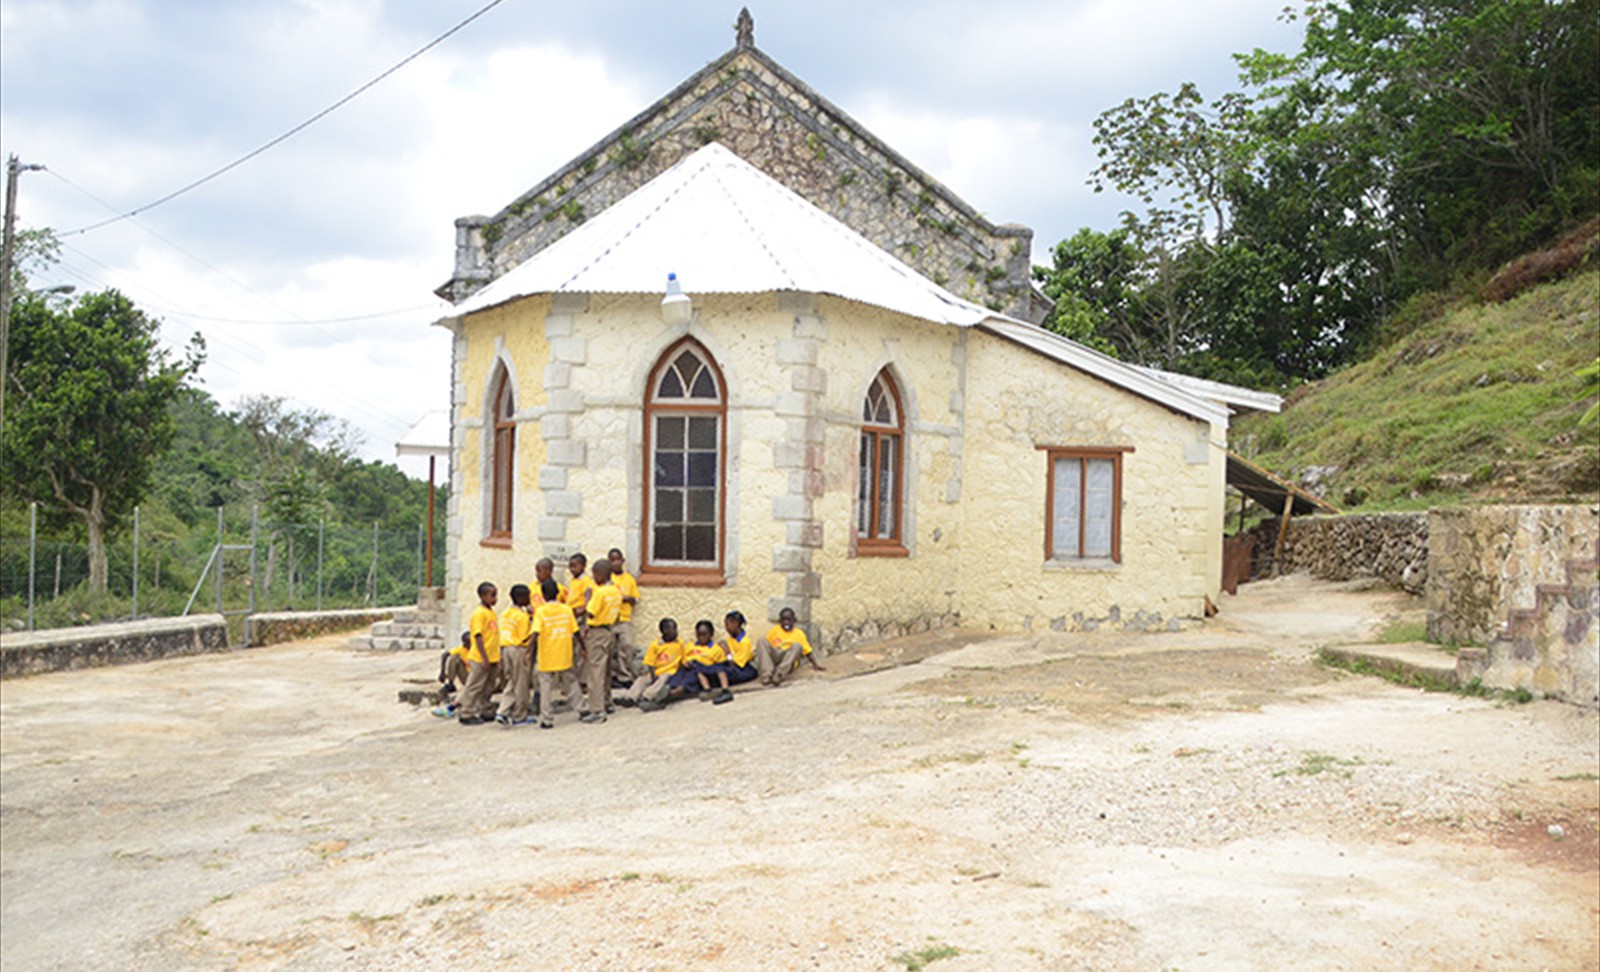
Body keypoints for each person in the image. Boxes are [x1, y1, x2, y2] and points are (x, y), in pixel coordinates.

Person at [531, 578, 584, 729]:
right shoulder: (566, 609)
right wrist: (583, 647)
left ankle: (546, 718)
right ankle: (581, 708)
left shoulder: (540, 611)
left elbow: (535, 633)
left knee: (546, 687)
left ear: (543, 595)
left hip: (547, 655)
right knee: (571, 681)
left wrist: (528, 652)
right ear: (557, 593)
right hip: (564, 652)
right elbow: (576, 631)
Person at [579, 559, 623, 723]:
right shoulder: (615, 591)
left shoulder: (600, 593)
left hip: (597, 632)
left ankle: (597, 710)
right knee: (606, 670)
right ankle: (607, 701)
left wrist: (587, 599)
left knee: (595, 672)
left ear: (601, 574)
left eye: (595, 574)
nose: (593, 577)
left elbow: (590, 612)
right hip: (610, 630)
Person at [457, 582, 502, 725]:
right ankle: (466, 712)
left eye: (496, 595)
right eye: (492, 596)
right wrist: (484, 657)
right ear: (483, 596)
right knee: (475, 685)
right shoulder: (479, 614)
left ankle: (485, 710)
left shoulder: (491, 612)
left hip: (493, 656)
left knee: (488, 686)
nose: (495, 599)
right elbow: (477, 636)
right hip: (481, 657)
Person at [620, 617, 686, 711]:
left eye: (676, 629)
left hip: (670, 671)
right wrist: (653, 674)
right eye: (673, 629)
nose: (676, 632)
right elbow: (650, 662)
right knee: (642, 680)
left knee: (662, 680)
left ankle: (647, 696)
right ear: (664, 631)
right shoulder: (656, 645)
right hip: (656, 671)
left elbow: (683, 658)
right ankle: (631, 697)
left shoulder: (680, 643)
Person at [494, 584, 537, 727]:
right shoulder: (522, 617)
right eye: (527, 596)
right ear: (521, 598)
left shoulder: (506, 613)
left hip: (505, 649)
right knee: (521, 683)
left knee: (512, 681)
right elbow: (527, 636)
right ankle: (520, 715)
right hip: (518, 649)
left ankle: (503, 711)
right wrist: (533, 616)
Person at [757, 606, 825, 686]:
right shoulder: (775, 630)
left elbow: (808, 652)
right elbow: (767, 648)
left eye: (789, 620)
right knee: (761, 641)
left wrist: (815, 665)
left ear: (794, 621)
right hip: (776, 655)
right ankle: (767, 675)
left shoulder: (799, 634)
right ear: (780, 621)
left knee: (797, 646)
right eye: (784, 620)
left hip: (788, 660)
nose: (786, 623)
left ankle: (779, 675)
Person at [607, 548, 641, 684]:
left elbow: (636, 599)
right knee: (609, 649)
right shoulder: (608, 578)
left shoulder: (629, 579)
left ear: (622, 561)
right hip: (609, 619)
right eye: (612, 560)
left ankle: (625, 676)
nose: (615, 563)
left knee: (626, 647)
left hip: (624, 619)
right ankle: (611, 676)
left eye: (617, 560)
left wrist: (628, 598)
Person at [682, 618, 734, 704]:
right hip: (694, 671)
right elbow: (684, 660)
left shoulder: (715, 649)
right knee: (698, 669)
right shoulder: (690, 646)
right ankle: (707, 691)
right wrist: (686, 664)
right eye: (699, 635)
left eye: (704, 635)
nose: (701, 637)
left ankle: (725, 690)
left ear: (711, 634)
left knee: (720, 668)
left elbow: (722, 664)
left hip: (711, 672)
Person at [431, 630, 471, 718]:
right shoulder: (462, 650)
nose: (468, 646)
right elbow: (445, 655)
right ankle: (451, 683)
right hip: (467, 676)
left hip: (476, 677)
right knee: (454, 658)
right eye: (466, 643)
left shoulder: (478, 651)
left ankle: (451, 708)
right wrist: (442, 672)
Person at [720, 611, 759, 686]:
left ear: (736, 624)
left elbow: (735, 664)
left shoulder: (744, 642)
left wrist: (727, 652)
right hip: (734, 666)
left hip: (745, 669)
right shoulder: (731, 639)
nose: (726, 628)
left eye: (727, 625)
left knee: (723, 673)